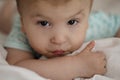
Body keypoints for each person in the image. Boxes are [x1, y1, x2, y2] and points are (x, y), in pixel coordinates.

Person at [5, 0, 120, 79]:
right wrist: (76, 66)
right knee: (6, 22)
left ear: (87, 20)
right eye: (44, 23)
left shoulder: (97, 24)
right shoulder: (21, 32)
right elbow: (17, 67)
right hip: (15, 20)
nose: (59, 39)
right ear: (23, 24)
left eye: (72, 22)